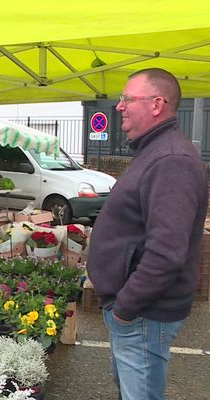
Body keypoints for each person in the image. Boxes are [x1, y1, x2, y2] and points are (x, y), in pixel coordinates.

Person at [87, 68, 208, 400]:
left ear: (157, 104)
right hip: (135, 311)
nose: (119, 106)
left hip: (142, 313)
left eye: (128, 98)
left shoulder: (171, 160)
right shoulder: (155, 151)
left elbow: (167, 253)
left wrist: (126, 307)